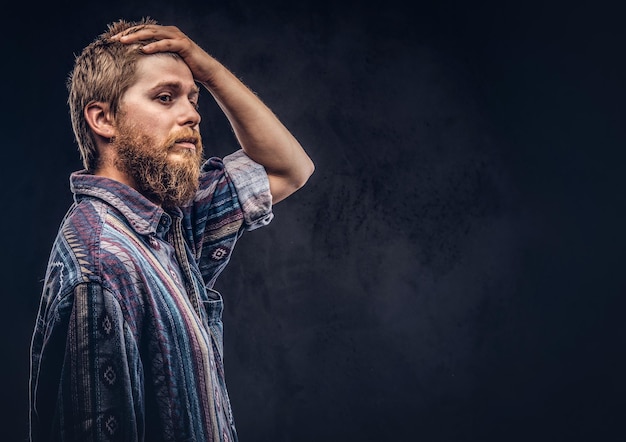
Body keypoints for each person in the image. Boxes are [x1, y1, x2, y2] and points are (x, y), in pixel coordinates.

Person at [28, 17, 314, 441]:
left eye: (193, 98)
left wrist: (209, 69)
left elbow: (291, 168)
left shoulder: (174, 222)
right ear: (103, 118)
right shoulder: (103, 264)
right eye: (165, 97)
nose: (192, 115)